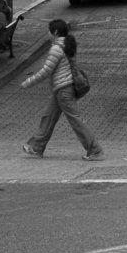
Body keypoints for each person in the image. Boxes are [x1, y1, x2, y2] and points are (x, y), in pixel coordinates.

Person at [21, 19, 103, 160]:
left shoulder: (56, 48)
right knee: (48, 117)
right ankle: (36, 147)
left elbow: (46, 70)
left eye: (49, 30)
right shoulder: (67, 45)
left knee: (75, 120)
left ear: (56, 32)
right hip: (62, 88)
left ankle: (94, 149)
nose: (48, 33)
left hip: (63, 90)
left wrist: (28, 82)